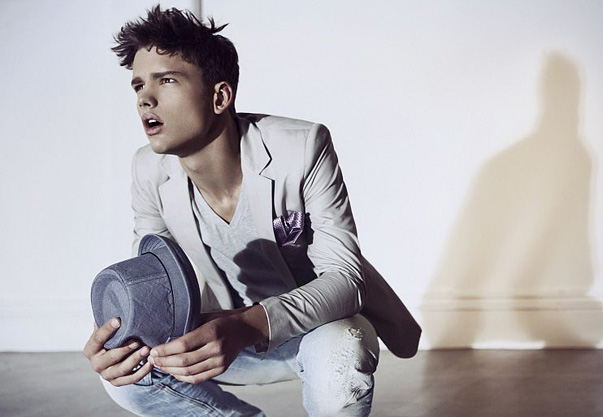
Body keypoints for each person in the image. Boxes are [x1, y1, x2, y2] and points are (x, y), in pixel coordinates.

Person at [83, 5, 420, 416]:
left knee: (341, 345)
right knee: (126, 375)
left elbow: (345, 279)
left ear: (220, 96)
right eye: (138, 85)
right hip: (222, 338)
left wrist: (247, 325)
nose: (144, 99)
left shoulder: (301, 147)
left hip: (316, 328)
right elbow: (156, 283)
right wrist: (119, 339)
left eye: (166, 80)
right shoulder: (148, 169)